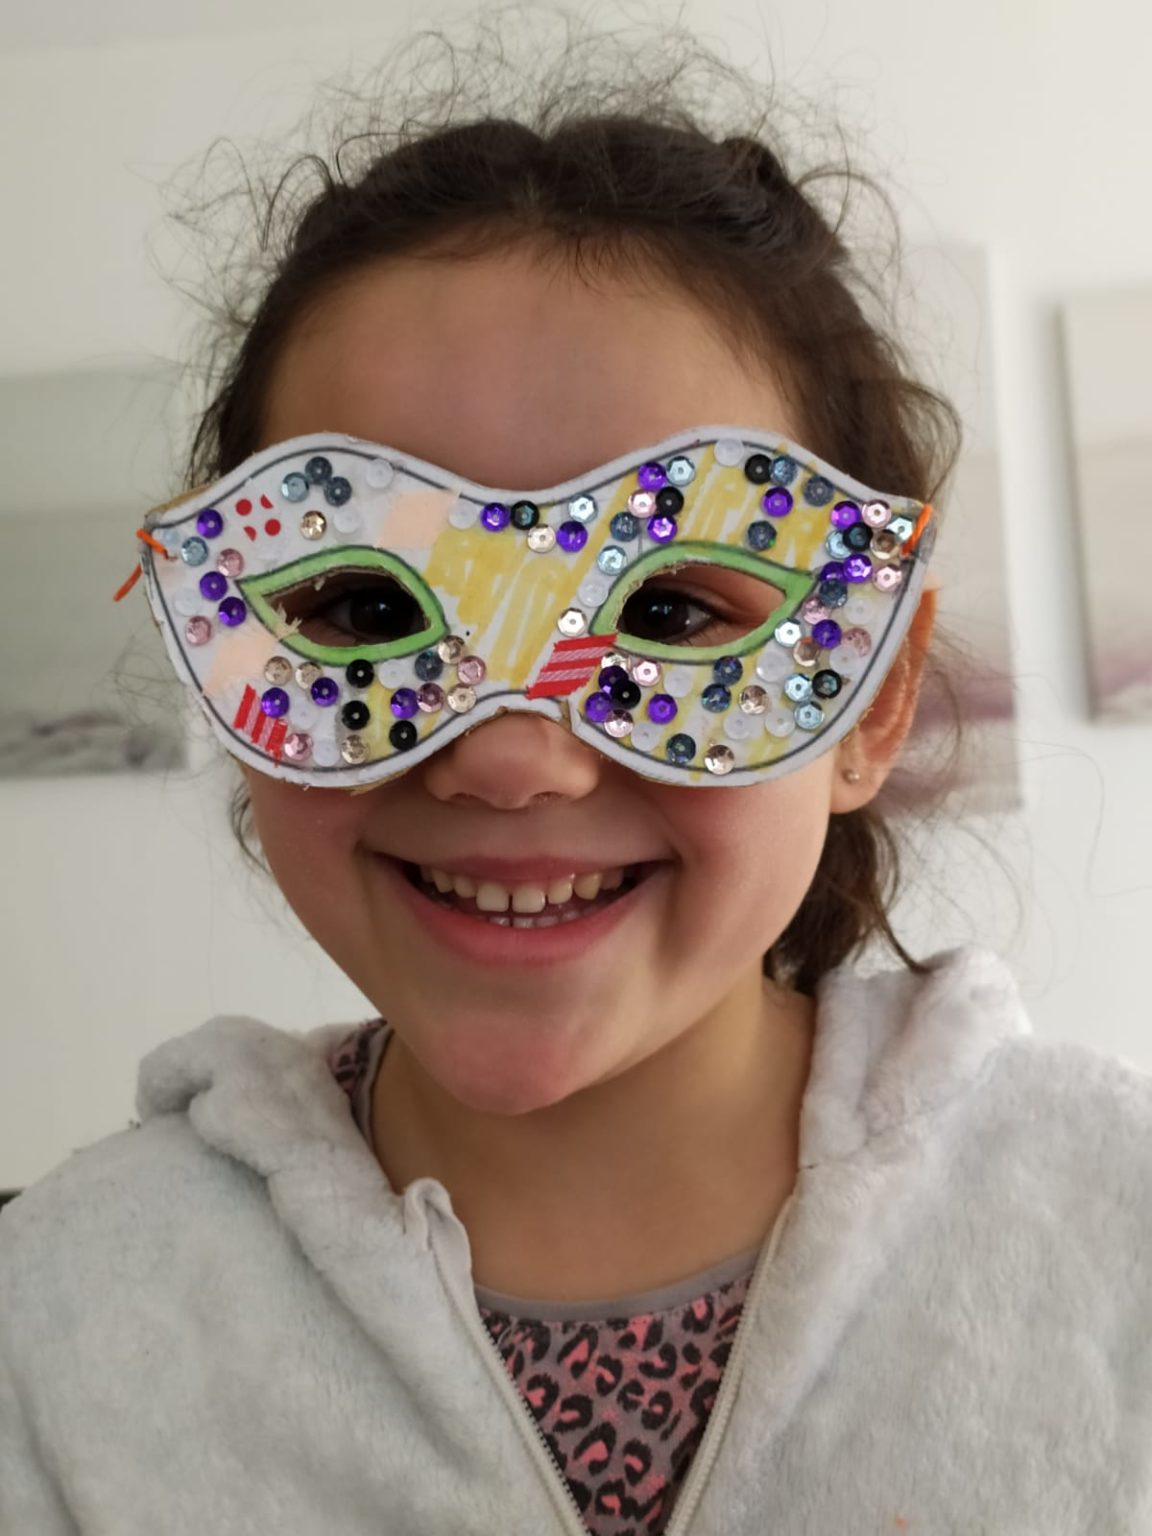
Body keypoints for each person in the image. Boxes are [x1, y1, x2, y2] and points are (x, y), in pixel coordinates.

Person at [2, 21, 1150, 1536]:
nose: (506, 759)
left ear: (871, 701)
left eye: (673, 610)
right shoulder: (58, 1326)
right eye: (362, 607)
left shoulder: (1118, 1246)